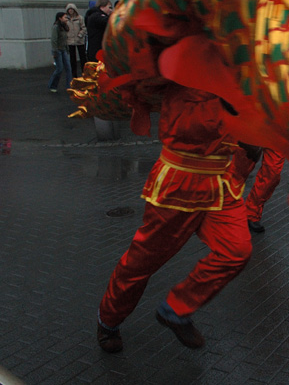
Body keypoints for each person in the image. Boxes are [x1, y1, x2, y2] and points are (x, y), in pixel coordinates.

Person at [96, 84, 254, 353]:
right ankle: (108, 320)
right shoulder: (176, 67)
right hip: (178, 183)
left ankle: (175, 310)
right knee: (142, 262)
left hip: (220, 182)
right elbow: (193, 123)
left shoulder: (240, 69)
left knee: (236, 251)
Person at [242, 147, 285, 233]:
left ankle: (251, 212)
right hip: (253, 135)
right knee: (240, 167)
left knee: (272, 174)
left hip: (277, 137)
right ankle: (227, 207)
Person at [47, 12, 71, 93]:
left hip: (63, 49)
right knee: (59, 69)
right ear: (60, 18)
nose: (66, 18)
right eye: (65, 17)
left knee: (68, 68)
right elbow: (54, 40)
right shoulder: (56, 27)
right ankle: (52, 85)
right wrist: (55, 51)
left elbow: (65, 39)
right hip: (58, 50)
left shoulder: (64, 27)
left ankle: (69, 85)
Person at [65, 4, 87, 77]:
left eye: (72, 9)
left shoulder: (80, 18)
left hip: (79, 40)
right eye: (69, 9)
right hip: (70, 41)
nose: (70, 11)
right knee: (72, 59)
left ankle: (84, 73)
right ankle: (74, 75)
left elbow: (83, 28)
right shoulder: (66, 19)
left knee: (82, 58)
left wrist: (80, 35)